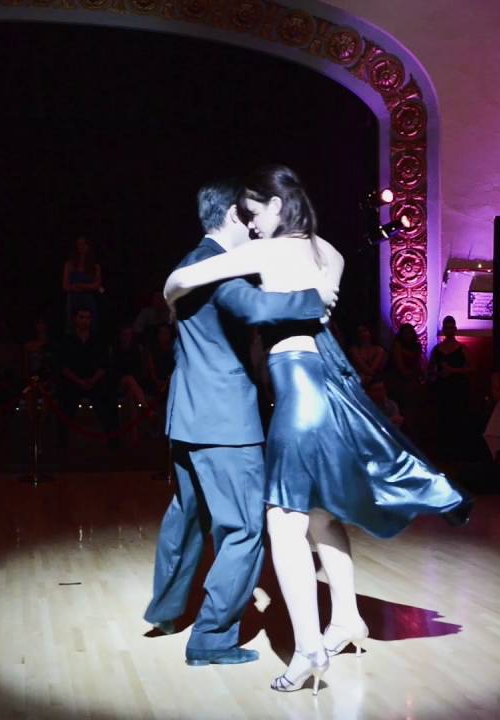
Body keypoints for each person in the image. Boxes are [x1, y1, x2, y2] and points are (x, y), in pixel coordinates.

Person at [161, 166, 467, 694]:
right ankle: (346, 618)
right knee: (320, 514)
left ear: (276, 207)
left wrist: (172, 297)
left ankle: (307, 650)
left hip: (300, 390)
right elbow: (315, 307)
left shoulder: (268, 251)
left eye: (254, 214)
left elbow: (181, 279)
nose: (251, 225)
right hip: (333, 386)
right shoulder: (333, 254)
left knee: (283, 521)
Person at [143, 177, 334, 672]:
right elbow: (254, 307)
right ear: (232, 215)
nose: (254, 227)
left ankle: (167, 611)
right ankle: (211, 638)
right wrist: (316, 299)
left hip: (188, 416)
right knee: (245, 530)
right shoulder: (216, 268)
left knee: (187, 518)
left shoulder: (192, 260)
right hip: (225, 422)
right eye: (247, 217)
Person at [56, 307, 118, 447]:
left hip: (94, 382)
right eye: (81, 317)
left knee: (108, 402)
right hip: (73, 382)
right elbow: (63, 366)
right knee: (64, 404)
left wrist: (93, 380)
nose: (85, 321)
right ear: (74, 319)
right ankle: (61, 444)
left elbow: (104, 365)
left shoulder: (98, 340)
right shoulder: (67, 340)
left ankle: (114, 441)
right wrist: (78, 381)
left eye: (88, 317)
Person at [430, 316, 471, 447]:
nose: (449, 330)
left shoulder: (462, 348)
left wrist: (453, 370)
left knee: (458, 418)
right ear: (443, 329)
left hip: (458, 387)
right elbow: (430, 369)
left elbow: (471, 368)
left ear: (455, 329)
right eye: (447, 328)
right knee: (442, 418)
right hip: (442, 387)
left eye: (451, 328)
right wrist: (438, 374)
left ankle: (457, 447)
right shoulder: (437, 349)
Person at [62, 236, 103, 330]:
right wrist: (88, 287)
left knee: (90, 325)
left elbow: (97, 285)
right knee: (73, 325)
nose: (81, 246)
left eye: (84, 244)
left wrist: (80, 285)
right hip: (73, 299)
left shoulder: (95, 266)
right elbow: (65, 286)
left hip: (88, 299)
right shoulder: (69, 264)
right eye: (79, 244)